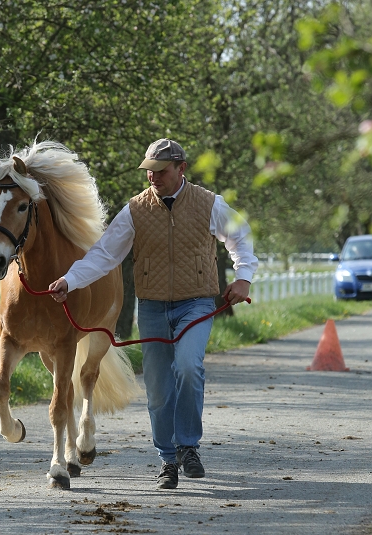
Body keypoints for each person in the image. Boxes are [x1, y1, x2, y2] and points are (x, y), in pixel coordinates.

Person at [49, 139, 258, 489]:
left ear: (181, 169)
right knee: (159, 389)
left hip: (196, 303)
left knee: (190, 367)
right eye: (149, 169)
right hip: (153, 307)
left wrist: (244, 278)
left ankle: (188, 447)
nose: (152, 176)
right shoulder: (135, 210)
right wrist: (70, 281)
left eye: (160, 170)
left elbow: (241, 236)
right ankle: (167, 459)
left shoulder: (210, 204)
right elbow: (104, 255)